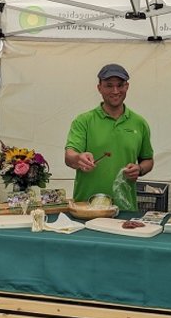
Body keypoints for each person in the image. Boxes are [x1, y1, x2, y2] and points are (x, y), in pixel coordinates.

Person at [65, 63, 154, 211]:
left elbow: (148, 160)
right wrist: (78, 158)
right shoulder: (83, 121)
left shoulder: (139, 123)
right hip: (87, 208)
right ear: (99, 87)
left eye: (120, 85)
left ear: (127, 86)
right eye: (109, 85)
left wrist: (139, 168)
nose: (115, 91)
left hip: (125, 209)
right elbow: (69, 155)